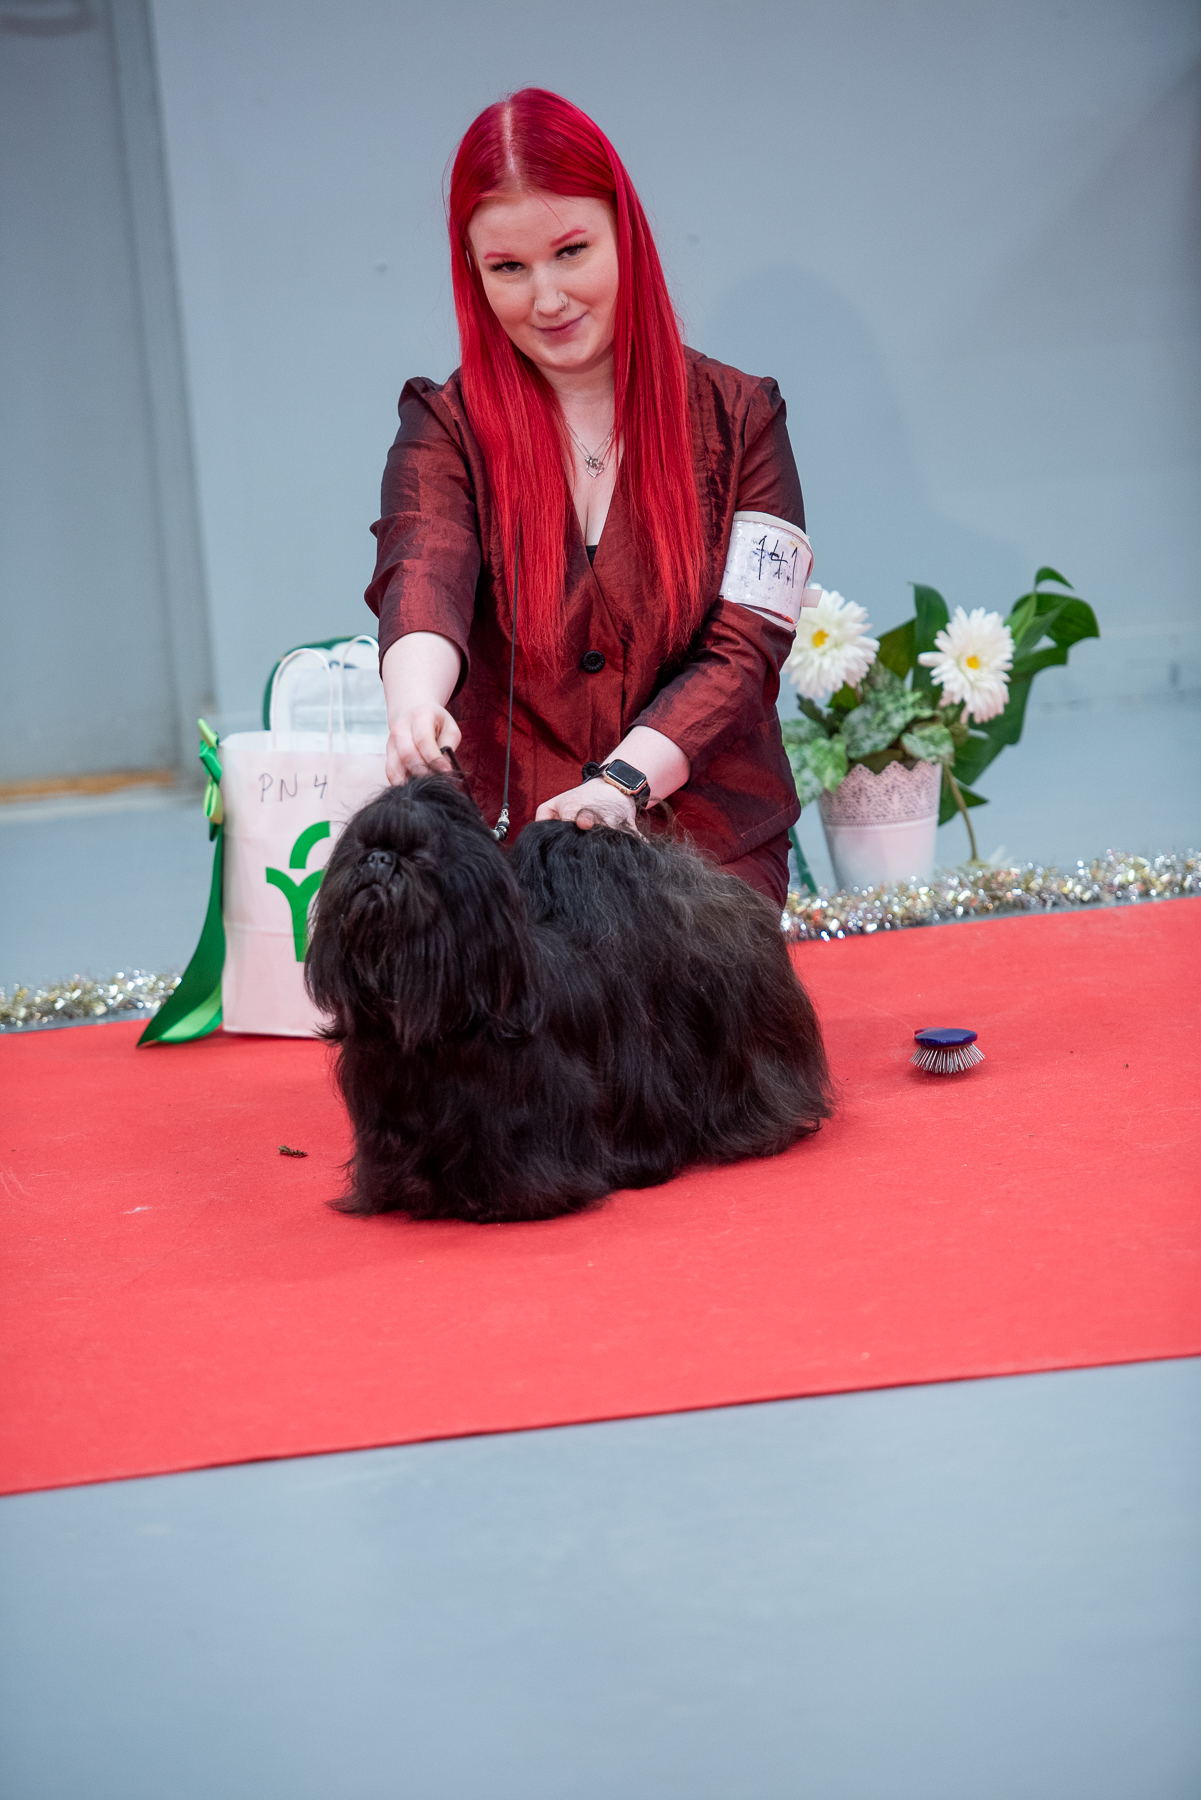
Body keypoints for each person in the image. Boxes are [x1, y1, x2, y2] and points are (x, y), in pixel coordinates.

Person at [365, 88, 814, 907]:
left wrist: (621, 784)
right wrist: (414, 705)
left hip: (702, 848)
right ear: (474, 273)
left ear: (624, 234)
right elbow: (422, 566)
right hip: (508, 851)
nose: (546, 300)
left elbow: (745, 645)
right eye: (508, 268)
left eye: (570, 251)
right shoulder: (443, 425)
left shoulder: (743, 417)